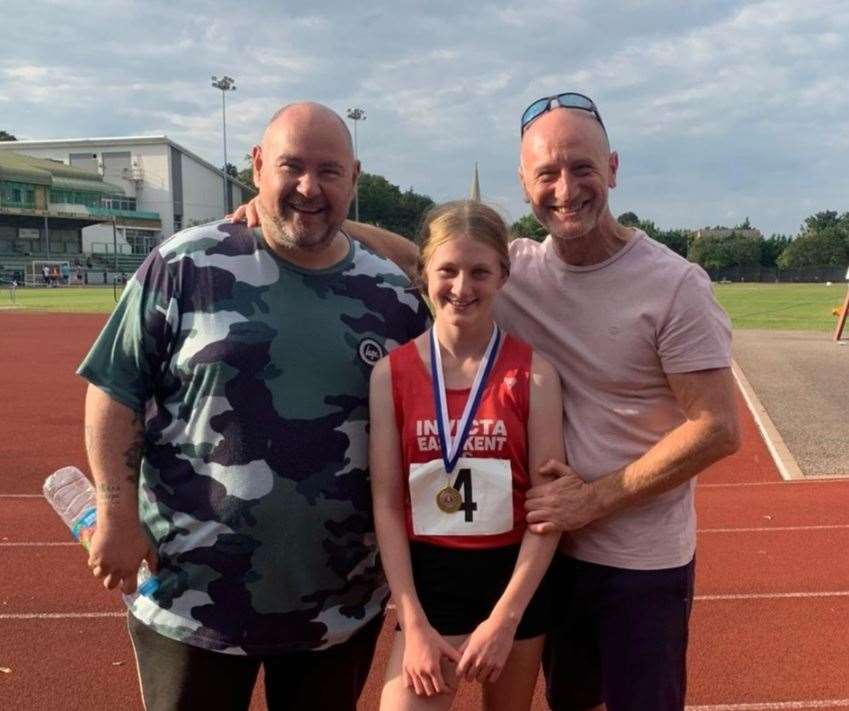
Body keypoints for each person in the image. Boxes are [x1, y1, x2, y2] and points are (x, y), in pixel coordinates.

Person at [232, 91, 740, 711]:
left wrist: (593, 498)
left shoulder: (675, 285)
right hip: (549, 552)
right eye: (546, 174)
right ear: (525, 185)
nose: (565, 188)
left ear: (612, 168)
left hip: (636, 559)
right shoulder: (519, 268)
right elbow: (431, 255)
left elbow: (717, 427)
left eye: (582, 168)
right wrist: (294, 209)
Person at [78, 102, 429, 711]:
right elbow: (115, 389)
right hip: (191, 601)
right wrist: (114, 512)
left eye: (330, 171)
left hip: (337, 608)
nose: (308, 187)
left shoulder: (394, 298)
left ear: (355, 178)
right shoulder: (186, 264)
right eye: (291, 166)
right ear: (258, 166)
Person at [369, 200, 563, 711]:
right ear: (424, 274)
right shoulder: (390, 374)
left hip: (513, 587)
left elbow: (548, 511)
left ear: (503, 274)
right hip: (429, 587)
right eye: (447, 270)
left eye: (480, 271)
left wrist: (505, 620)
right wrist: (412, 620)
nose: (462, 287)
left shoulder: (536, 375)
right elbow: (387, 503)